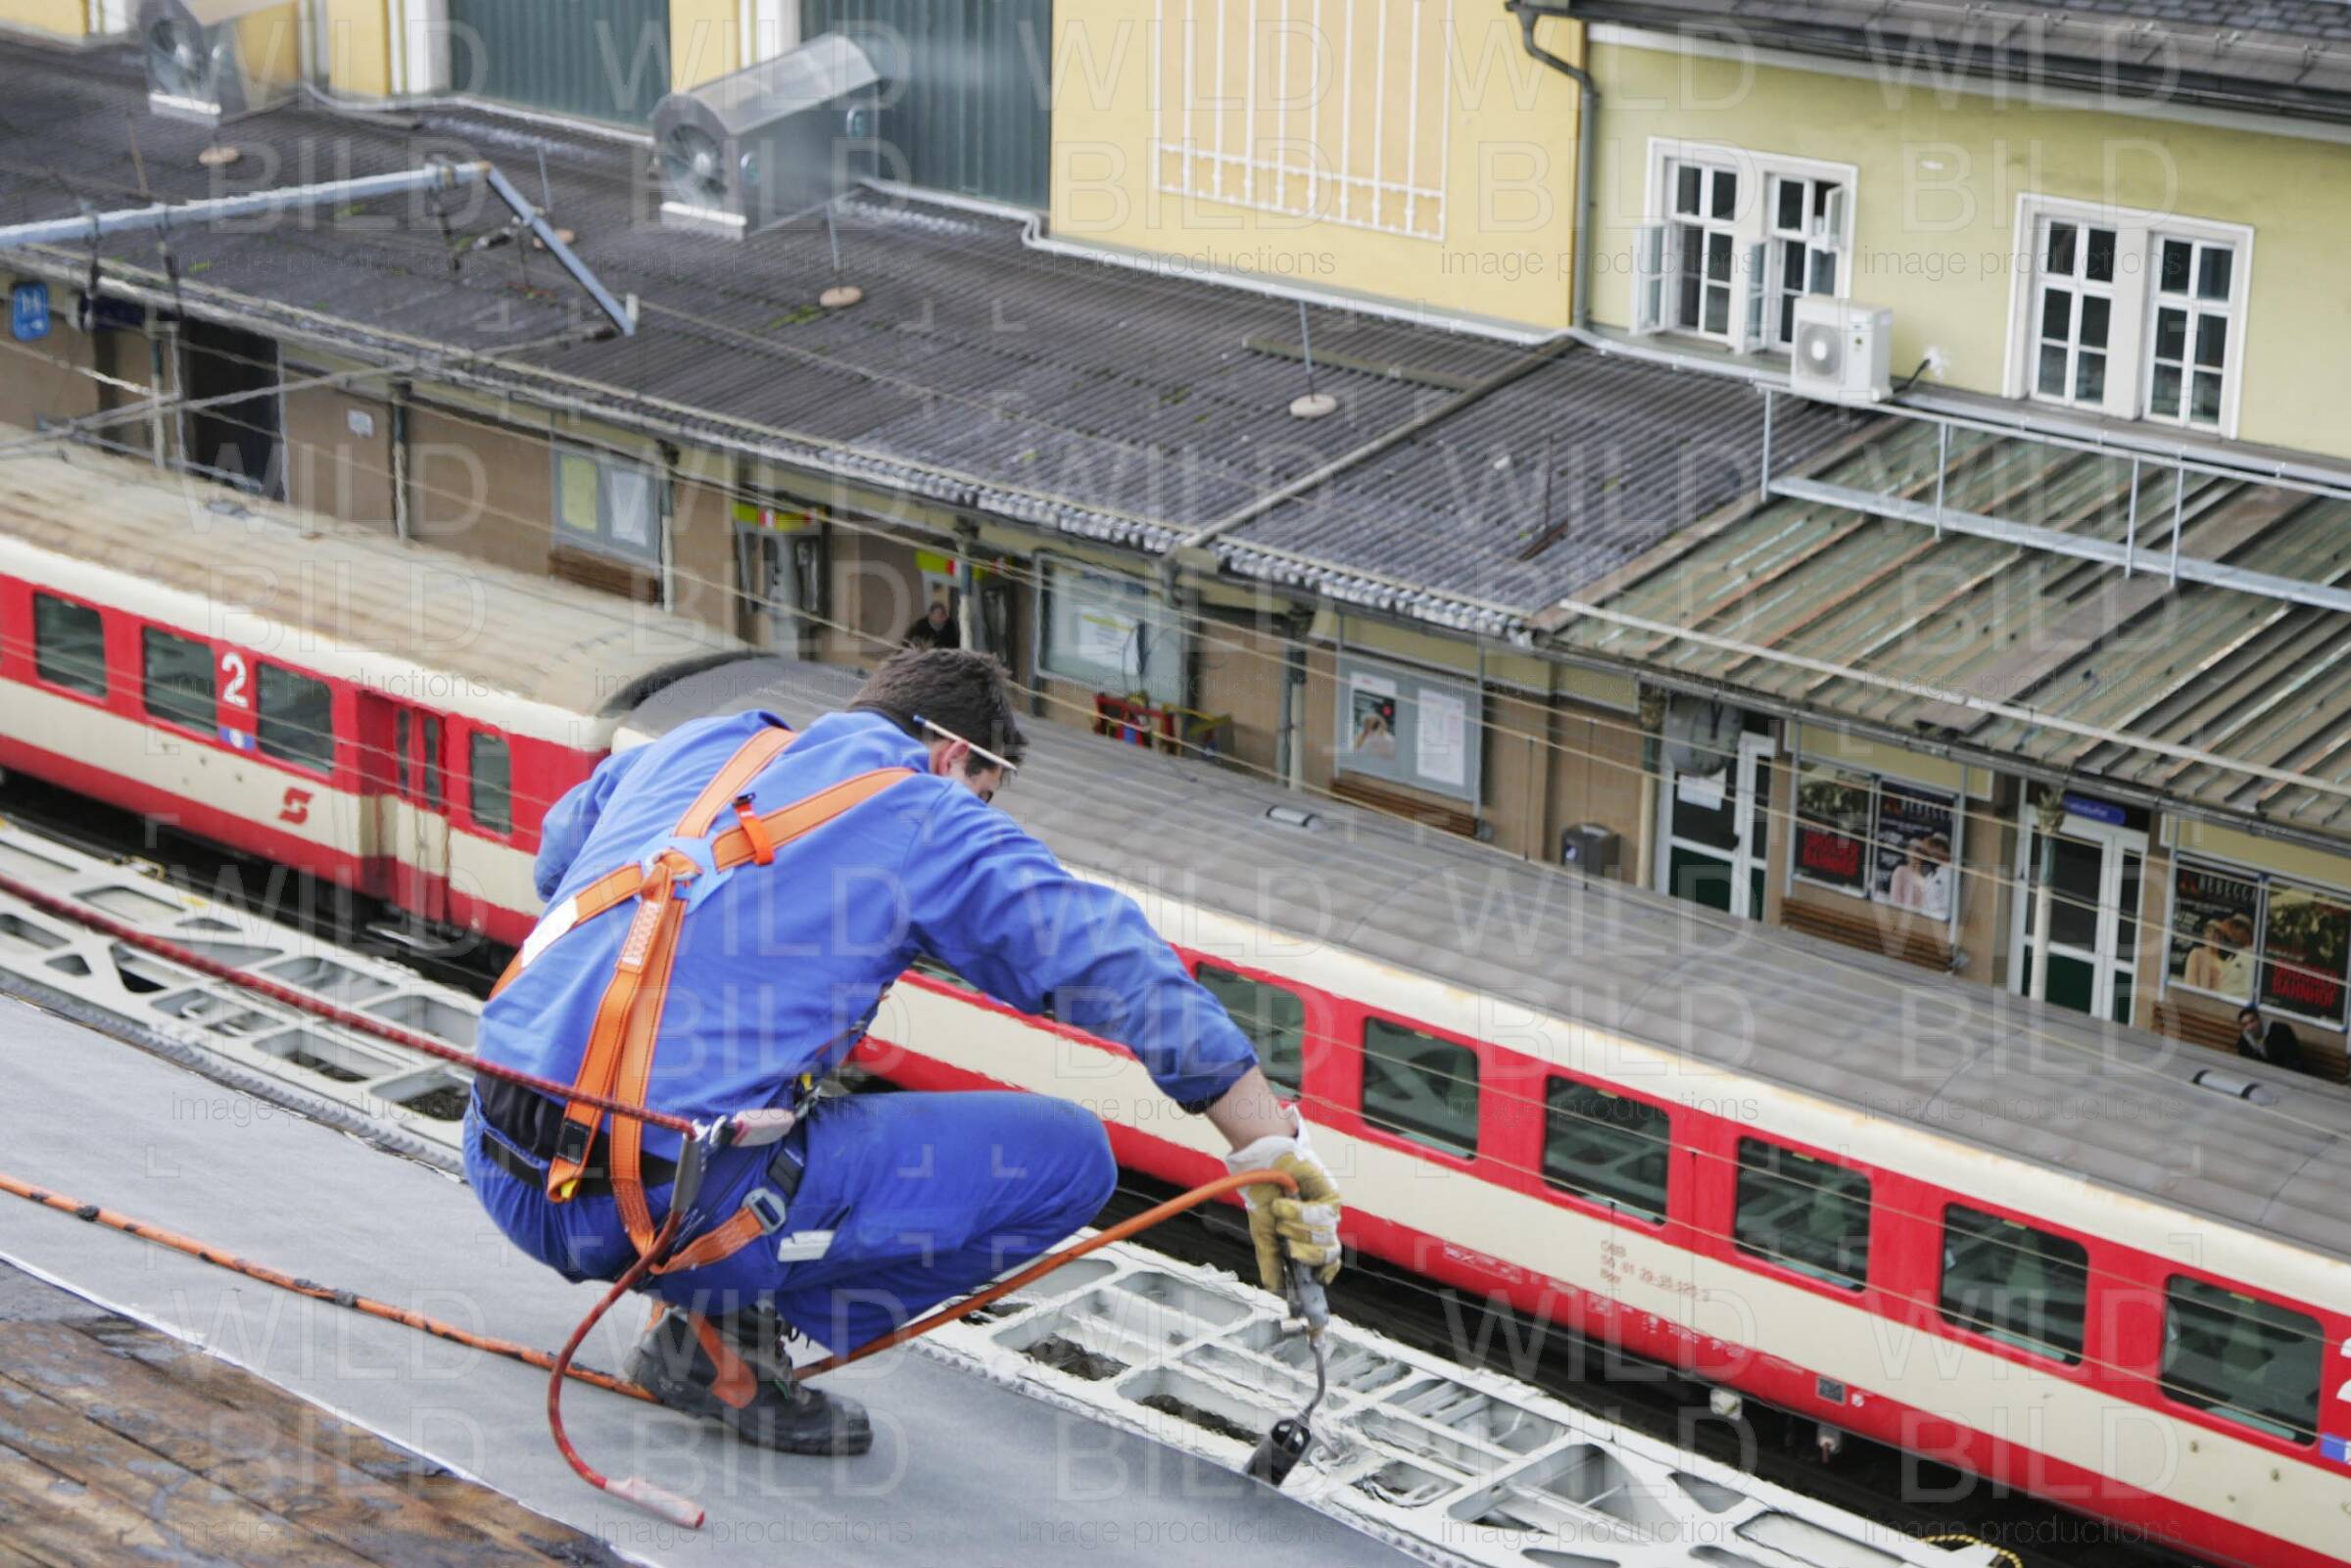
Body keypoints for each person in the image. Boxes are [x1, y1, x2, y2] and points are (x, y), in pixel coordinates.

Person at [463, 648, 1339, 1456]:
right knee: (1072, 1160)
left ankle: (710, 1311)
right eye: (985, 794)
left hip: (499, 1154)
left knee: (760, 1095)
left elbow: (559, 861)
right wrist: (1268, 1145)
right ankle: (722, 1339)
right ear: (954, 758)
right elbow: (1114, 962)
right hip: (660, 1216)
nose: (977, 812)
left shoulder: (702, 743)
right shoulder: (926, 813)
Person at [1886, 832, 1951, 921]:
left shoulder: (1933, 874)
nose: (1915, 854)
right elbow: (1895, 902)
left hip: (1926, 921)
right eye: (1912, 850)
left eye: (1920, 851)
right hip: (1907, 920)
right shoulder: (1902, 871)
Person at [2236, 1004, 2308, 1076]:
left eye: (2252, 1021)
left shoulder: (2281, 1031)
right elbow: (2246, 1064)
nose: (2250, 1027)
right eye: (2245, 1025)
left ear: (2259, 1019)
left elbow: (2292, 1059)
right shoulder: (2244, 1041)